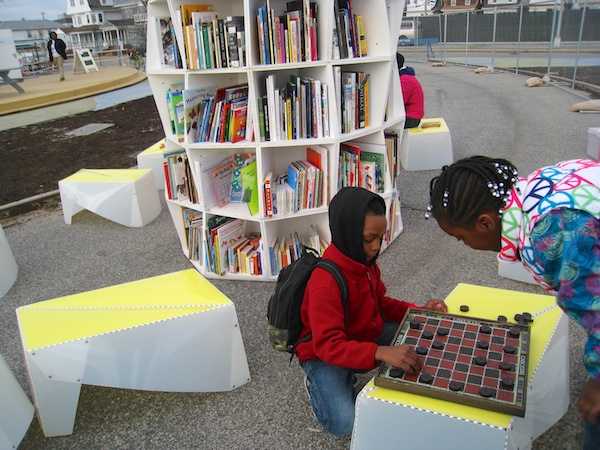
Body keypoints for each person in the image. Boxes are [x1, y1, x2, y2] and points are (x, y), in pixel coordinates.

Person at [427, 156, 600, 450]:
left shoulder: (552, 233)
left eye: (460, 238)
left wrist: (597, 383)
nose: (463, 245)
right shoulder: (535, 190)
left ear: (485, 223)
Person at [296, 186, 447, 436]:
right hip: (323, 353)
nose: (377, 246)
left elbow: (382, 303)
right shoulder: (324, 284)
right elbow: (328, 345)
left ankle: (359, 363)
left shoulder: (364, 263)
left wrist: (420, 311)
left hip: (361, 333)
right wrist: (381, 352)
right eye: (369, 239)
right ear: (348, 233)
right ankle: (315, 384)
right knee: (344, 423)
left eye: (380, 237)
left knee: (420, 332)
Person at [397, 53, 424, 129]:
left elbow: (400, 101)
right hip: (413, 116)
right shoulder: (406, 77)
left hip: (411, 118)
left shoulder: (404, 80)